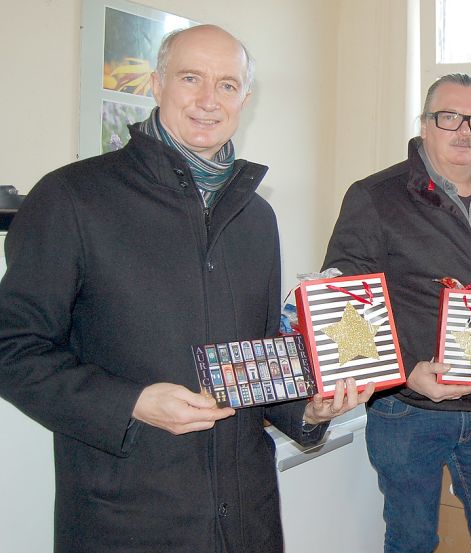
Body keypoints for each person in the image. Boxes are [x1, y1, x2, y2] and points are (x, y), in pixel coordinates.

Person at [0, 25, 370, 553]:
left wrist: (308, 411)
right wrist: (132, 402)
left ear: (245, 98)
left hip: (246, 518)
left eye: (226, 85)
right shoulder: (71, 198)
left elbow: (258, 353)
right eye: (190, 78)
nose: (207, 101)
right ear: (156, 83)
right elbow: (12, 348)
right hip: (129, 518)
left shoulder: (256, 217)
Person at [322, 73, 471, 552]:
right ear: (425, 124)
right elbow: (344, 312)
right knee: (412, 542)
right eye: (449, 117)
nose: (464, 131)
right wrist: (408, 373)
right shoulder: (376, 198)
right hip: (409, 412)